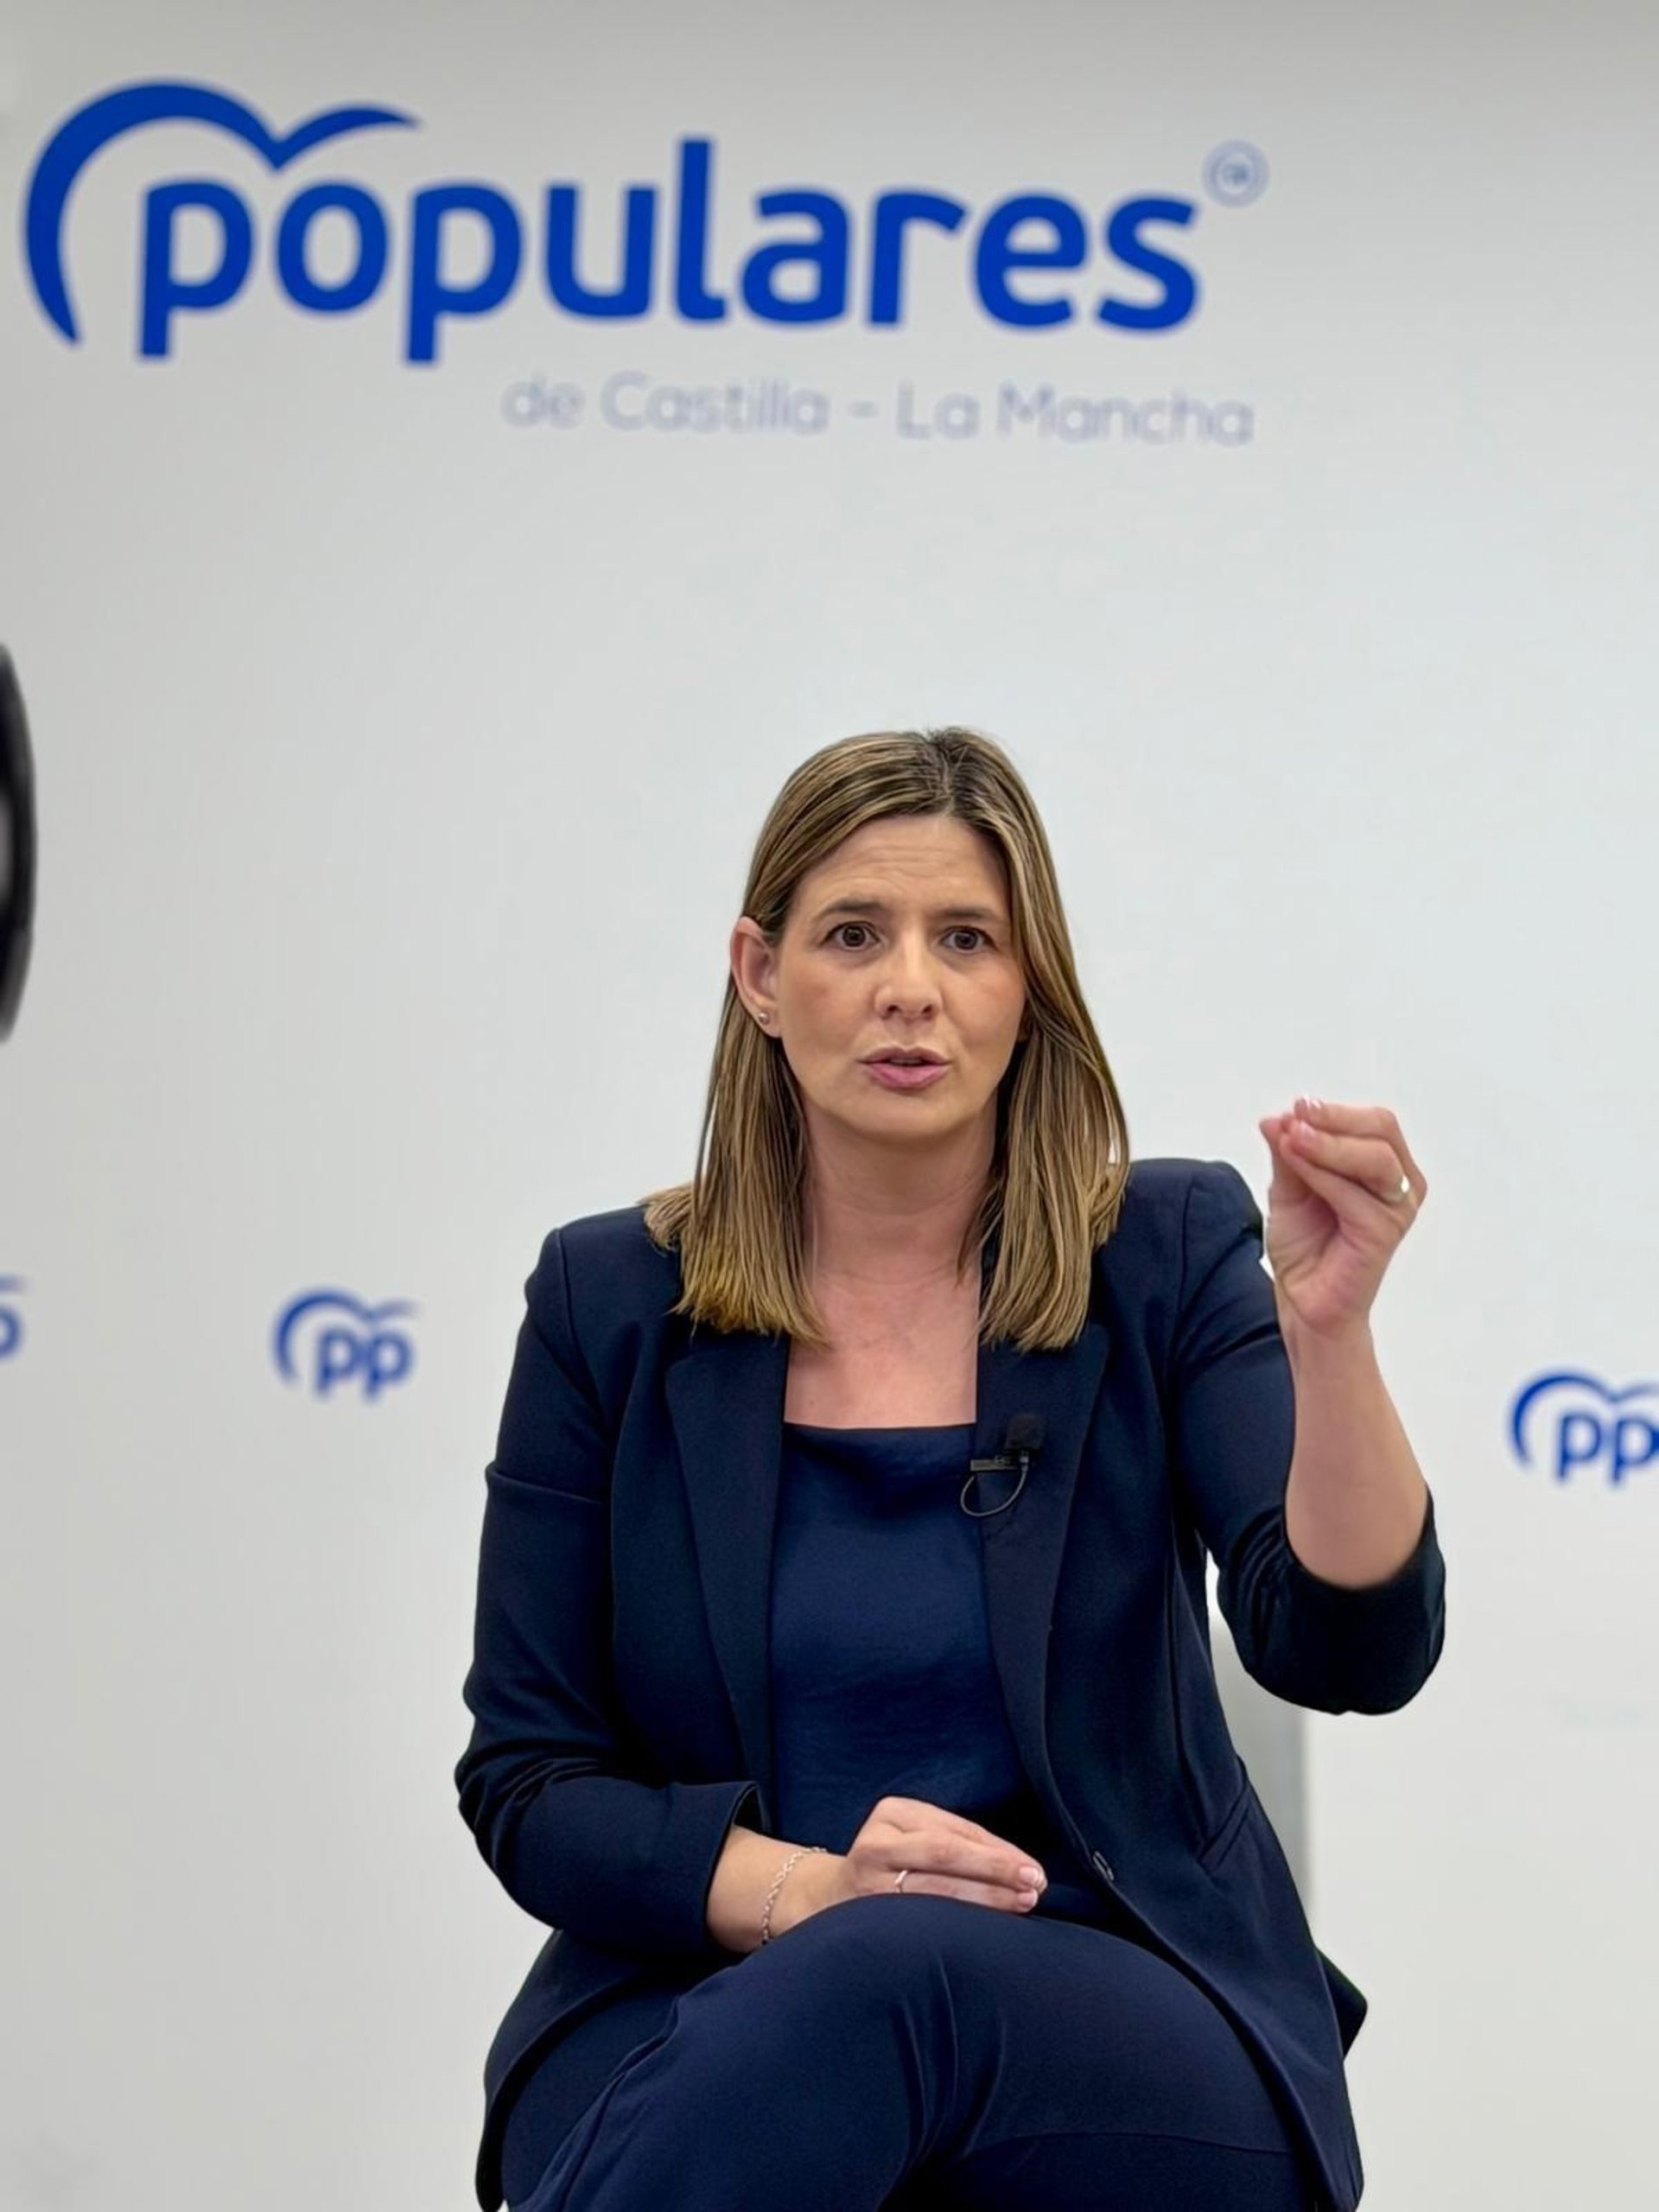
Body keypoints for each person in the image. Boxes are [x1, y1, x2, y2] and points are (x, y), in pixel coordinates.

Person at [454, 725, 1445, 2212]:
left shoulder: (1164, 1254)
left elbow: (1352, 1653)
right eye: (854, 934)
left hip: (1124, 2003)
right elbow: (532, 1781)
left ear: (1025, 986)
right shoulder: (610, 1306)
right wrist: (806, 1893)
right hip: (702, 1992)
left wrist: (1331, 1336)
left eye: (965, 938)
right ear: (760, 974)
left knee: (890, 1974)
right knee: (846, 1985)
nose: (910, 986)